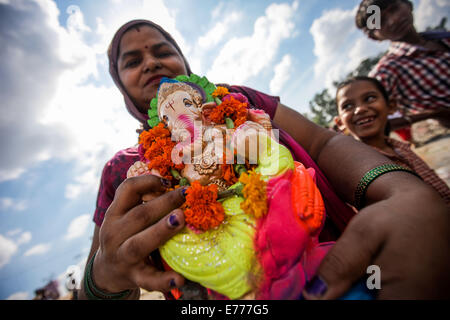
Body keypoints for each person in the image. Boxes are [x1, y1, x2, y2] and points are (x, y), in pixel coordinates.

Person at [78, 20, 450, 300]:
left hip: (353, 269)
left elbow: (320, 143)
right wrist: (106, 277)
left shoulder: (238, 101)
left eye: (162, 51)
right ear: (119, 83)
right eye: (132, 60)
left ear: (183, 60)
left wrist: (399, 190)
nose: (151, 63)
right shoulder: (122, 172)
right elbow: (100, 277)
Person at [334, 76, 450, 205]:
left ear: (391, 106)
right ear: (339, 123)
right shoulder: (357, 165)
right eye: (348, 106)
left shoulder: (401, 147)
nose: (360, 109)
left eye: (369, 98)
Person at [355, 0, 450, 143]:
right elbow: (362, 124)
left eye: (394, 9)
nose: (393, 20)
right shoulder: (387, 71)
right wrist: (435, 114)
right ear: (373, 35)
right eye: (381, 21)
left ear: (407, 4)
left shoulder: (443, 37)